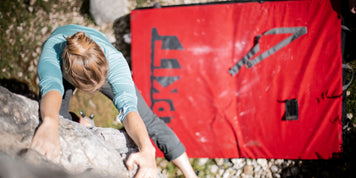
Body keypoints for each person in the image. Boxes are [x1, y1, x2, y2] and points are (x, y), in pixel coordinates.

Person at [31, 24, 197, 178]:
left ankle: (192, 175)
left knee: (148, 119)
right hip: (66, 64)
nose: (97, 90)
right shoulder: (51, 57)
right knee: (59, 119)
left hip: (91, 58)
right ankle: (83, 123)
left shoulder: (115, 62)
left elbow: (129, 109)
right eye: (92, 88)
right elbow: (52, 91)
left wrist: (147, 149)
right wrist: (50, 122)